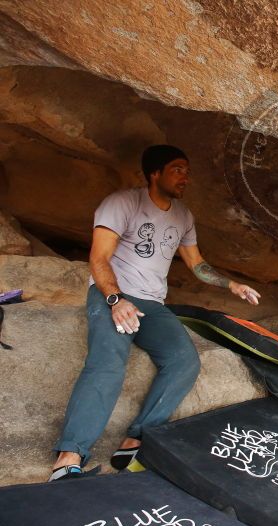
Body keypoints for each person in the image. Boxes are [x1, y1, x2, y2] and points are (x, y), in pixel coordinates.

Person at [49, 145, 261, 481]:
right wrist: (116, 301)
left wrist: (231, 285)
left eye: (187, 170)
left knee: (184, 361)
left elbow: (197, 264)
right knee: (108, 365)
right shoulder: (122, 203)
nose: (185, 177)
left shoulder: (183, 216)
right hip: (113, 295)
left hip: (153, 305)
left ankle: (137, 439)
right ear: (154, 173)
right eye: (177, 169)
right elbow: (99, 258)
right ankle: (69, 457)